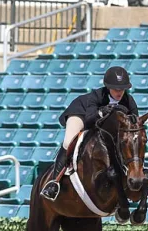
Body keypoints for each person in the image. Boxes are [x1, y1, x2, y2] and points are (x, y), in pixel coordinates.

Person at [41, 66, 140, 201]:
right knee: (68, 141)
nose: (119, 92)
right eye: (116, 89)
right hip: (81, 113)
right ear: (108, 87)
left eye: (122, 89)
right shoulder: (96, 96)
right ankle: (54, 182)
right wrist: (101, 112)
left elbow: (135, 127)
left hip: (100, 123)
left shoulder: (129, 100)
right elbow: (89, 121)